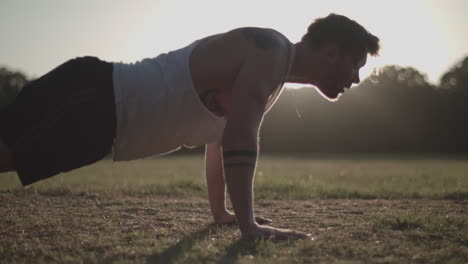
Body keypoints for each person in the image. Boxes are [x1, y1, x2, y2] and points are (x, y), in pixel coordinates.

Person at [0, 13, 380, 239]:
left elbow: (218, 141)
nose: (357, 79)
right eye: (356, 65)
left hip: (99, 112)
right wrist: (249, 225)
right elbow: (239, 134)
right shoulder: (271, 50)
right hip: (95, 99)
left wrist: (222, 215)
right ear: (332, 53)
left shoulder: (272, 75)